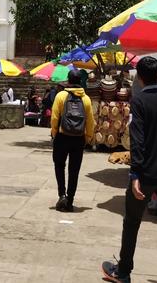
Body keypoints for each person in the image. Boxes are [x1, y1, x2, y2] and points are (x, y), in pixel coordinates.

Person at [102, 56, 157, 283]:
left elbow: (138, 141)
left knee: (132, 222)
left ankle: (123, 271)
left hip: (146, 174)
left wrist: (134, 174)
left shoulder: (140, 102)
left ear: (140, 78)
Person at [50, 71, 95, 211]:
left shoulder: (61, 96)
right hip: (78, 138)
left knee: (59, 166)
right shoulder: (86, 99)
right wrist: (87, 138)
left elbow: (54, 118)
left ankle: (62, 195)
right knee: (74, 170)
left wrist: (54, 134)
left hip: (62, 137)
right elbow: (90, 122)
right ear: (80, 81)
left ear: (68, 80)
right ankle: (70, 201)